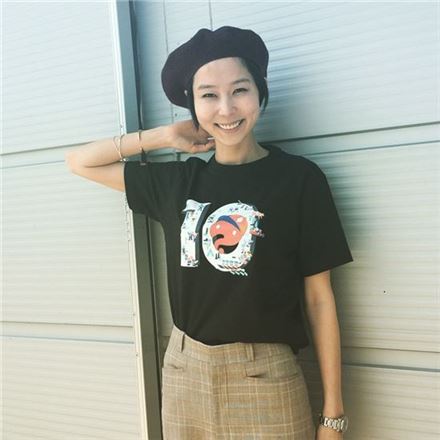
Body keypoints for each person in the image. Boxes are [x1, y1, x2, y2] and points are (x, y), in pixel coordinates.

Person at [65, 25, 353, 440]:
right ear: (193, 105)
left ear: (260, 91)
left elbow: (319, 299)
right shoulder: (177, 183)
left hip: (266, 377)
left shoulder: (299, 180)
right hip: (185, 371)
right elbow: (80, 162)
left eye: (240, 90)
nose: (226, 109)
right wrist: (165, 136)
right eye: (208, 95)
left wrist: (333, 415)